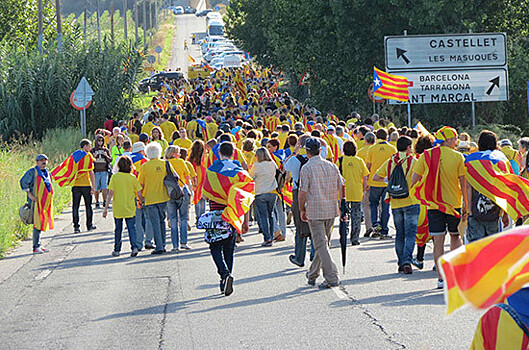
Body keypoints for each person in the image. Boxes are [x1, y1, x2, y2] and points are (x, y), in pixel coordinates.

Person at [412, 126, 467, 289]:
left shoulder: (426, 155)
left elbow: (415, 180)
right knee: (455, 238)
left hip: (433, 204)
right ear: (448, 140)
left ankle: (441, 279)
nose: (456, 141)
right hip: (453, 204)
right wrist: (466, 205)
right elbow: (463, 183)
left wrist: (426, 191)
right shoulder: (458, 157)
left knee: (438, 241)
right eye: (455, 138)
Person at [202, 142, 255, 296]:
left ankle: (224, 274)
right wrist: (245, 221)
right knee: (229, 247)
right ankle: (226, 277)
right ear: (233, 153)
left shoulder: (212, 170)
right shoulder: (240, 172)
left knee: (214, 245)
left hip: (216, 213)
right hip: (233, 214)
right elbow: (246, 197)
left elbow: (205, 194)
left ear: (219, 154)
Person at [299, 137, 343, 288]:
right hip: (330, 209)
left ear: (307, 152)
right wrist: (342, 205)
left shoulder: (306, 168)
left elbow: (303, 191)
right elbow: (341, 186)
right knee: (323, 244)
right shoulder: (331, 166)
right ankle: (312, 273)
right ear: (320, 150)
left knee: (321, 245)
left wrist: (301, 208)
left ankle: (332, 276)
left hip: (315, 209)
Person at [374, 136, 419, 274]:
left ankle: (401, 262)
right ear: (408, 148)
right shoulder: (413, 161)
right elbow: (418, 177)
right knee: (411, 234)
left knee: (400, 233)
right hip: (411, 200)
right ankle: (407, 260)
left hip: (395, 202)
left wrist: (390, 182)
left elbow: (376, 177)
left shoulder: (390, 162)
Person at [465, 130, 503, 243]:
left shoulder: (471, 160)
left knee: (476, 246)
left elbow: (468, 186)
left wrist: (468, 209)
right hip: (494, 210)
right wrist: (504, 213)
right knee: (493, 246)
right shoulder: (500, 159)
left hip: (476, 210)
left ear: (479, 143)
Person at [103, 156, 143, 257]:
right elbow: (139, 192)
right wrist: (140, 202)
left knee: (118, 229)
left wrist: (106, 208)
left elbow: (110, 193)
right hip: (130, 207)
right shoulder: (132, 177)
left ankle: (117, 249)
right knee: (131, 228)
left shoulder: (115, 177)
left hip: (118, 207)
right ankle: (134, 247)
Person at [138, 142, 172, 254]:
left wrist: (140, 199)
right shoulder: (165, 164)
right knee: (162, 221)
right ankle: (162, 243)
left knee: (155, 222)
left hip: (150, 198)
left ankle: (159, 246)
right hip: (163, 196)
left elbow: (140, 185)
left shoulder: (144, 167)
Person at [284, 135, 312, 267]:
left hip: (298, 191)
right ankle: (314, 255)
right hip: (314, 192)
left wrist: (295, 151)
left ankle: (299, 256)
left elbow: (284, 166)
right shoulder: (315, 159)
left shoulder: (295, 160)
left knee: (300, 227)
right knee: (315, 226)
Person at [366, 128, 396, 239]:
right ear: (387, 137)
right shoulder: (392, 148)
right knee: (385, 207)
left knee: (373, 204)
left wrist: (366, 180)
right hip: (387, 182)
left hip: (374, 181)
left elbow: (368, 166)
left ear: (376, 137)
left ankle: (375, 223)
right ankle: (384, 229)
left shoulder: (372, 149)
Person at [20, 154, 53, 253]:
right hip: (35, 202)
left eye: (45, 160)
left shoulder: (47, 172)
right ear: (37, 162)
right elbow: (23, 182)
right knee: (37, 223)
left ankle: (39, 244)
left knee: (41, 222)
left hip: (44, 202)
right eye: (41, 160)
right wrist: (29, 195)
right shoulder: (32, 172)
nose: (43, 162)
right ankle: (36, 246)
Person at [338, 140, 369, 246]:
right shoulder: (359, 161)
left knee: (344, 215)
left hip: (343, 193)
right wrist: (364, 190)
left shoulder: (340, 160)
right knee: (356, 216)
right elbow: (365, 178)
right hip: (357, 191)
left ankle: (343, 235)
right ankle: (355, 238)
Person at [250, 147, 278, 247]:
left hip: (260, 192)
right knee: (270, 215)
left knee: (263, 216)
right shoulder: (272, 164)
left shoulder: (256, 166)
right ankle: (271, 235)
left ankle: (267, 238)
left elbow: (251, 177)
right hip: (272, 192)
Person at [165, 146, 191, 251]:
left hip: (170, 192)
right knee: (183, 218)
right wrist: (189, 190)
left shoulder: (164, 163)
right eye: (178, 153)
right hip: (181, 190)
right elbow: (187, 177)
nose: (180, 155)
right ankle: (184, 242)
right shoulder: (181, 162)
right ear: (174, 153)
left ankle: (175, 245)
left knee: (173, 218)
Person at [72, 139, 96, 234]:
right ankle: (89, 225)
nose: (91, 148)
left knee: (75, 207)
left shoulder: (74, 155)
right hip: (86, 184)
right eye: (89, 146)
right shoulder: (88, 156)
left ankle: (76, 227)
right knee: (88, 206)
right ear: (85, 146)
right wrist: (93, 186)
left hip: (75, 184)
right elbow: (91, 172)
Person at [358, 131, 375, 237]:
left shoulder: (360, 152)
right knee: (380, 206)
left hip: (366, 181)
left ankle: (369, 226)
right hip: (380, 181)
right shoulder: (377, 150)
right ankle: (379, 226)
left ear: (365, 140)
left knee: (366, 205)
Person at [91, 134, 112, 208]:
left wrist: (105, 155)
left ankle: (104, 201)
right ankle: (96, 201)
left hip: (104, 171)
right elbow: (89, 161)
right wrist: (94, 156)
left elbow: (110, 160)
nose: (100, 142)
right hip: (96, 171)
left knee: (104, 187)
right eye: (99, 141)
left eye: (102, 140)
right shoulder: (93, 150)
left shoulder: (105, 150)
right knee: (96, 188)